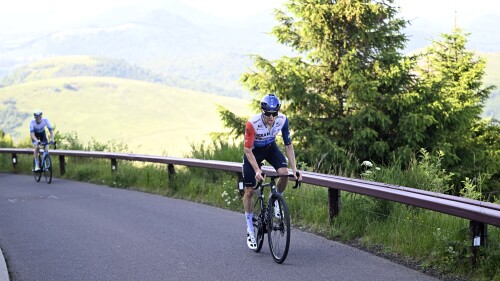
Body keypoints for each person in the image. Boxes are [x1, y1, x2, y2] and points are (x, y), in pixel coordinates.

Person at [242, 93, 302, 250]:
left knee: (284, 173)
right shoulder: (252, 123)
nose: (271, 117)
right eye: (268, 114)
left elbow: (288, 145)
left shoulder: (282, 120)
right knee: (249, 191)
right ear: (262, 111)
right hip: (253, 152)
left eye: (274, 114)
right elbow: (247, 149)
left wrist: (295, 170)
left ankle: (276, 199)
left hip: (270, 148)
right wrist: (256, 170)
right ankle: (249, 229)